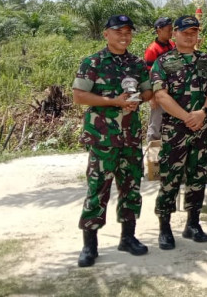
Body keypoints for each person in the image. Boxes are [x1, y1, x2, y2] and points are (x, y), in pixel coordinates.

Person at [72, 14, 152, 267]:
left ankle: (128, 237)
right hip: (103, 138)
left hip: (130, 137)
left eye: (128, 32)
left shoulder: (137, 64)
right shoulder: (92, 62)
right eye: (118, 32)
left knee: (131, 188)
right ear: (106, 34)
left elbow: (149, 90)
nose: (124, 36)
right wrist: (114, 102)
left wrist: (139, 97)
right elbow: (79, 96)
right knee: (98, 189)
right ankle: (90, 245)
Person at [151, 15, 207, 249]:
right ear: (175, 34)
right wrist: (187, 117)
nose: (190, 36)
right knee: (170, 179)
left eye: (194, 32)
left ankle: (193, 223)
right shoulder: (163, 61)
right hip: (175, 130)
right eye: (185, 32)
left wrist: (203, 113)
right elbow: (160, 96)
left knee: (197, 177)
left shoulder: (206, 60)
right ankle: (165, 228)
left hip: (200, 128)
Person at [145, 17, 175, 142]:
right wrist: (152, 97)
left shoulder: (172, 45)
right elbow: (148, 74)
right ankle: (151, 152)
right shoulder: (152, 50)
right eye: (168, 30)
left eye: (172, 29)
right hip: (159, 93)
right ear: (159, 30)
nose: (171, 32)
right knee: (156, 123)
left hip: (172, 91)